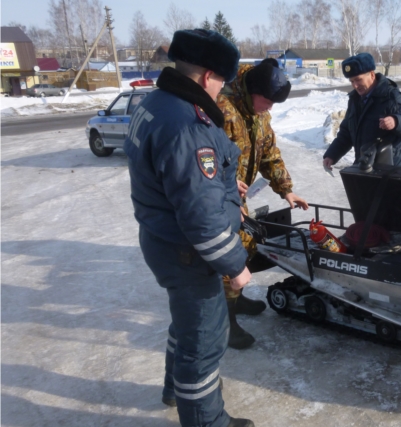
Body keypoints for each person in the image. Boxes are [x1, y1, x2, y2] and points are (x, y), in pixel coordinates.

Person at [124, 29, 254, 427]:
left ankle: (171, 389)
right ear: (206, 76)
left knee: (186, 325)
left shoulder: (157, 103)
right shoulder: (188, 125)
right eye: (222, 82)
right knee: (204, 341)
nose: (223, 91)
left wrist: (219, 182)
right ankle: (206, 421)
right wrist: (235, 264)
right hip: (186, 251)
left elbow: (176, 177)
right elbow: (200, 217)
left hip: (161, 238)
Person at [216, 58, 309, 349]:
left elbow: (269, 151)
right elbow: (202, 156)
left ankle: (238, 299)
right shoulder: (221, 109)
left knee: (246, 246)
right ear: (250, 90)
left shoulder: (259, 113)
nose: (269, 107)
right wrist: (224, 182)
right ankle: (224, 323)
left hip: (239, 196)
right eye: (267, 101)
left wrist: (286, 189)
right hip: (216, 195)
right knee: (228, 254)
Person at [323, 52, 401, 170]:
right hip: (366, 168)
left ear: (371, 75)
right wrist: (332, 155)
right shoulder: (355, 100)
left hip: (392, 173)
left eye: (358, 80)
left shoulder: (391, 97)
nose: (355, 85)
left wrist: (396, 121)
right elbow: (347, 133)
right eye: (351, 81)